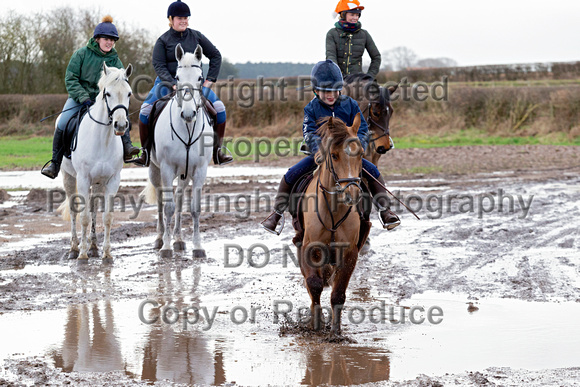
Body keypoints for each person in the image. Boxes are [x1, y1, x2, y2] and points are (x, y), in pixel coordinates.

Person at [261, 60, 400, 234]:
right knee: (290, 175)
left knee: (374, 172)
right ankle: (276, 213)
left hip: (348, 156)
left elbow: (363, 129)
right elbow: (309, 133)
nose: (330, 95)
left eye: (334, 90)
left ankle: (385, 211)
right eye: (325, 91)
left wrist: (359, 147)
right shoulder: (311, 108)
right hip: (323, 155)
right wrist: (318, 150)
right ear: (315, 90)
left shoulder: (350, 104)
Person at [134, 0, 232, 166]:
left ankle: (217, 151)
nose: (184, 21)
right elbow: (159, 65)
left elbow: (216, 55)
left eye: (186, 17)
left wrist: (209, 80)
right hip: (166, 84)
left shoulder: (197, 36)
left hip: (195, 85)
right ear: (171, 19)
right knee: (144, 111)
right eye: (180, 18)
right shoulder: (162, 41)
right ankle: (145, 152)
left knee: (220, 110)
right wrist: (172, 83)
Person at [41, 16, 139, 179]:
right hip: (80, 98)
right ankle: (55, 163)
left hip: (105, 101)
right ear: (97, 39)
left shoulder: (115, 60)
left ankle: (127, 147)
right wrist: (83, 96)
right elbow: (70, 79)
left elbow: (121, 84)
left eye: (113, 40)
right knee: (63, 122)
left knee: (121, 115)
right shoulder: (81, 54)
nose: (110, 43)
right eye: (107, 39)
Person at [326, 0, 381, 79]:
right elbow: (331, 56)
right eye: (352, 15)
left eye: (357, 15)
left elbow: (376, 57)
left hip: (357, 80)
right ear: (343, 15)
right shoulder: (332, 33)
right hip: (337, 79)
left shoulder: (364, 34)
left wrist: (369, 77)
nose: (355, 18)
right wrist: (338, 75)